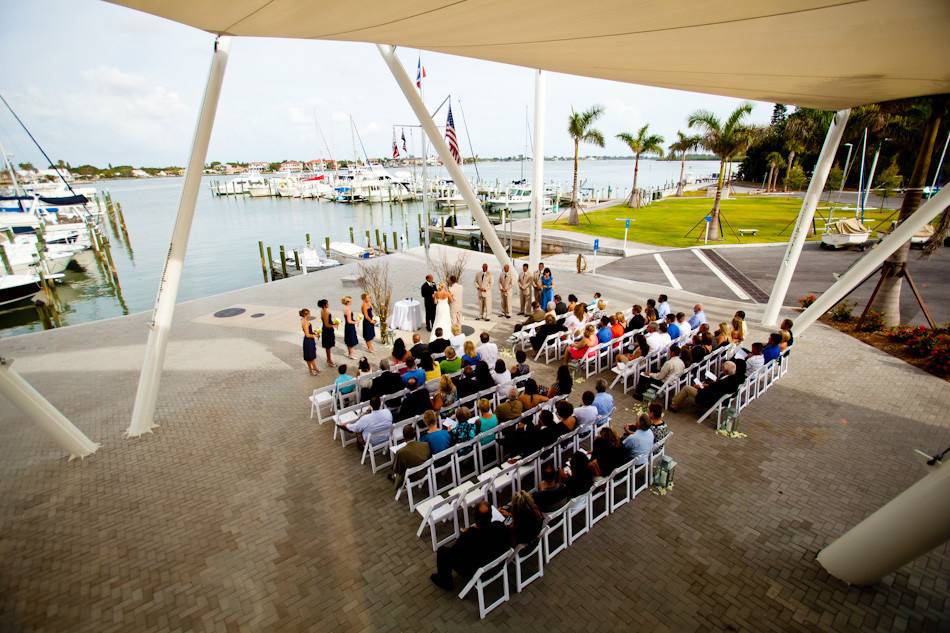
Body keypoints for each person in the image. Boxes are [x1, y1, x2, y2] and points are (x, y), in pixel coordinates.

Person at [431, 501, 510, 591]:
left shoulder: (469, 535)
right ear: (491, 516)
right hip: (497, 566)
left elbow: (455, 552)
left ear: (475, 518)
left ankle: (445, 582)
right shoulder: (499, 526)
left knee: (443, 551)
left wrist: (466, 533)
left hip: (476, 571)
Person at [670, 360, 740, 413]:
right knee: (696, 386)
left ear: (726, 370)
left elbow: (714, 389)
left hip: (710, 398)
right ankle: (678, 401)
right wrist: (706, 385)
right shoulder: (733, 379)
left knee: (686, 388)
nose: (721, 368)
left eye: (723, 367)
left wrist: (701, 387)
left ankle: (674, 404)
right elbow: (717, 386)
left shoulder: (726, 381)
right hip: (717, 397)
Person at [300, 308, 319, 375]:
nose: (310, 315)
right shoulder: (305, 322)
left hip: (310, 340)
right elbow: (307, 335)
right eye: (309, 314)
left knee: (312, 355)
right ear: (306, 315)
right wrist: (315, 336)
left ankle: (315, 368)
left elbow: (309, 332)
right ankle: (311, 371)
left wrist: (314, 333)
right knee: (309, 357)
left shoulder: (304, 320)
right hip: (308, 341)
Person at [318, 299, 336, 367]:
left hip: (326, 330)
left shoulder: (322, 310)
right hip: (327, 331)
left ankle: (329, 359)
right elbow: (326, 324)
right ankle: (329, 360)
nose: (328, 304)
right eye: (327, 303)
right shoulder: (325, 312)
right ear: (325, 305)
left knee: (327, 347)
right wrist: (334, 325)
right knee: (328, 346)